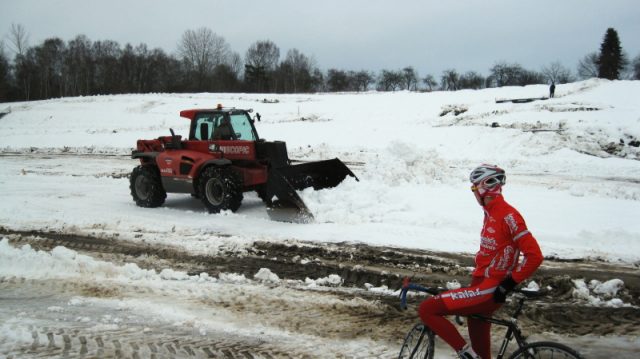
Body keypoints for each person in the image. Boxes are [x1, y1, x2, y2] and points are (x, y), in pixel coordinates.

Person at [417, 164, 543, 359]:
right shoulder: (490, 212)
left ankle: (466, 354)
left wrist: (508, 284)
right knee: (483, 355)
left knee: (427, 309)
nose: (473, 193)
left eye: (474, 188)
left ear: (485, 187)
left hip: (489, 290)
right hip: (481, 286)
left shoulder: (509, 216)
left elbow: (534, 255)